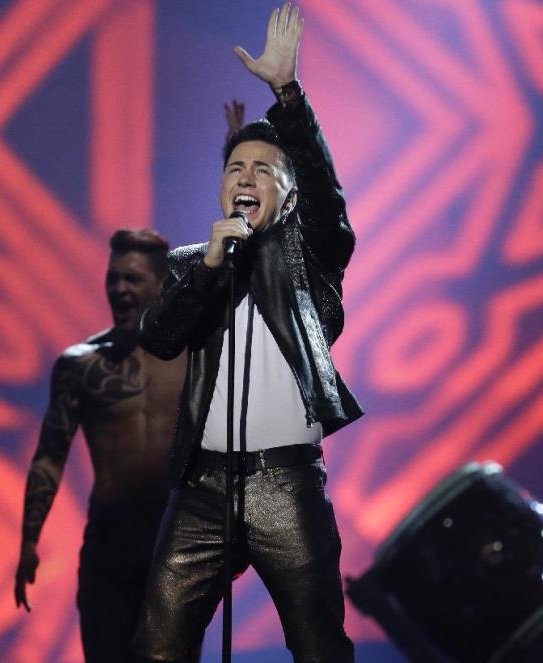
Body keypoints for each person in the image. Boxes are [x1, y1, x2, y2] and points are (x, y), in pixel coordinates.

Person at [131, 4, 363, 662]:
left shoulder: (311, 257)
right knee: (158, 648)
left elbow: (328, 200)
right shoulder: (194, 263)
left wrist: (287, 95)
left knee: (319, 647)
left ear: (287, 195)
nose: (247, 179)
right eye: (236, 169)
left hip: (285, 484)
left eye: (264, 170)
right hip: (201, 490)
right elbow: (160, 337)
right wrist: (206, 271)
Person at [14, 229, 189, 663]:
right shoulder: (80, 365)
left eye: (132, 279)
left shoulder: (194, 354)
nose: (119, 289)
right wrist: (29, 543)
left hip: (174, 545)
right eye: (113, 279)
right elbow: (50, 455)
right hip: (109, 545)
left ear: (161, 282)